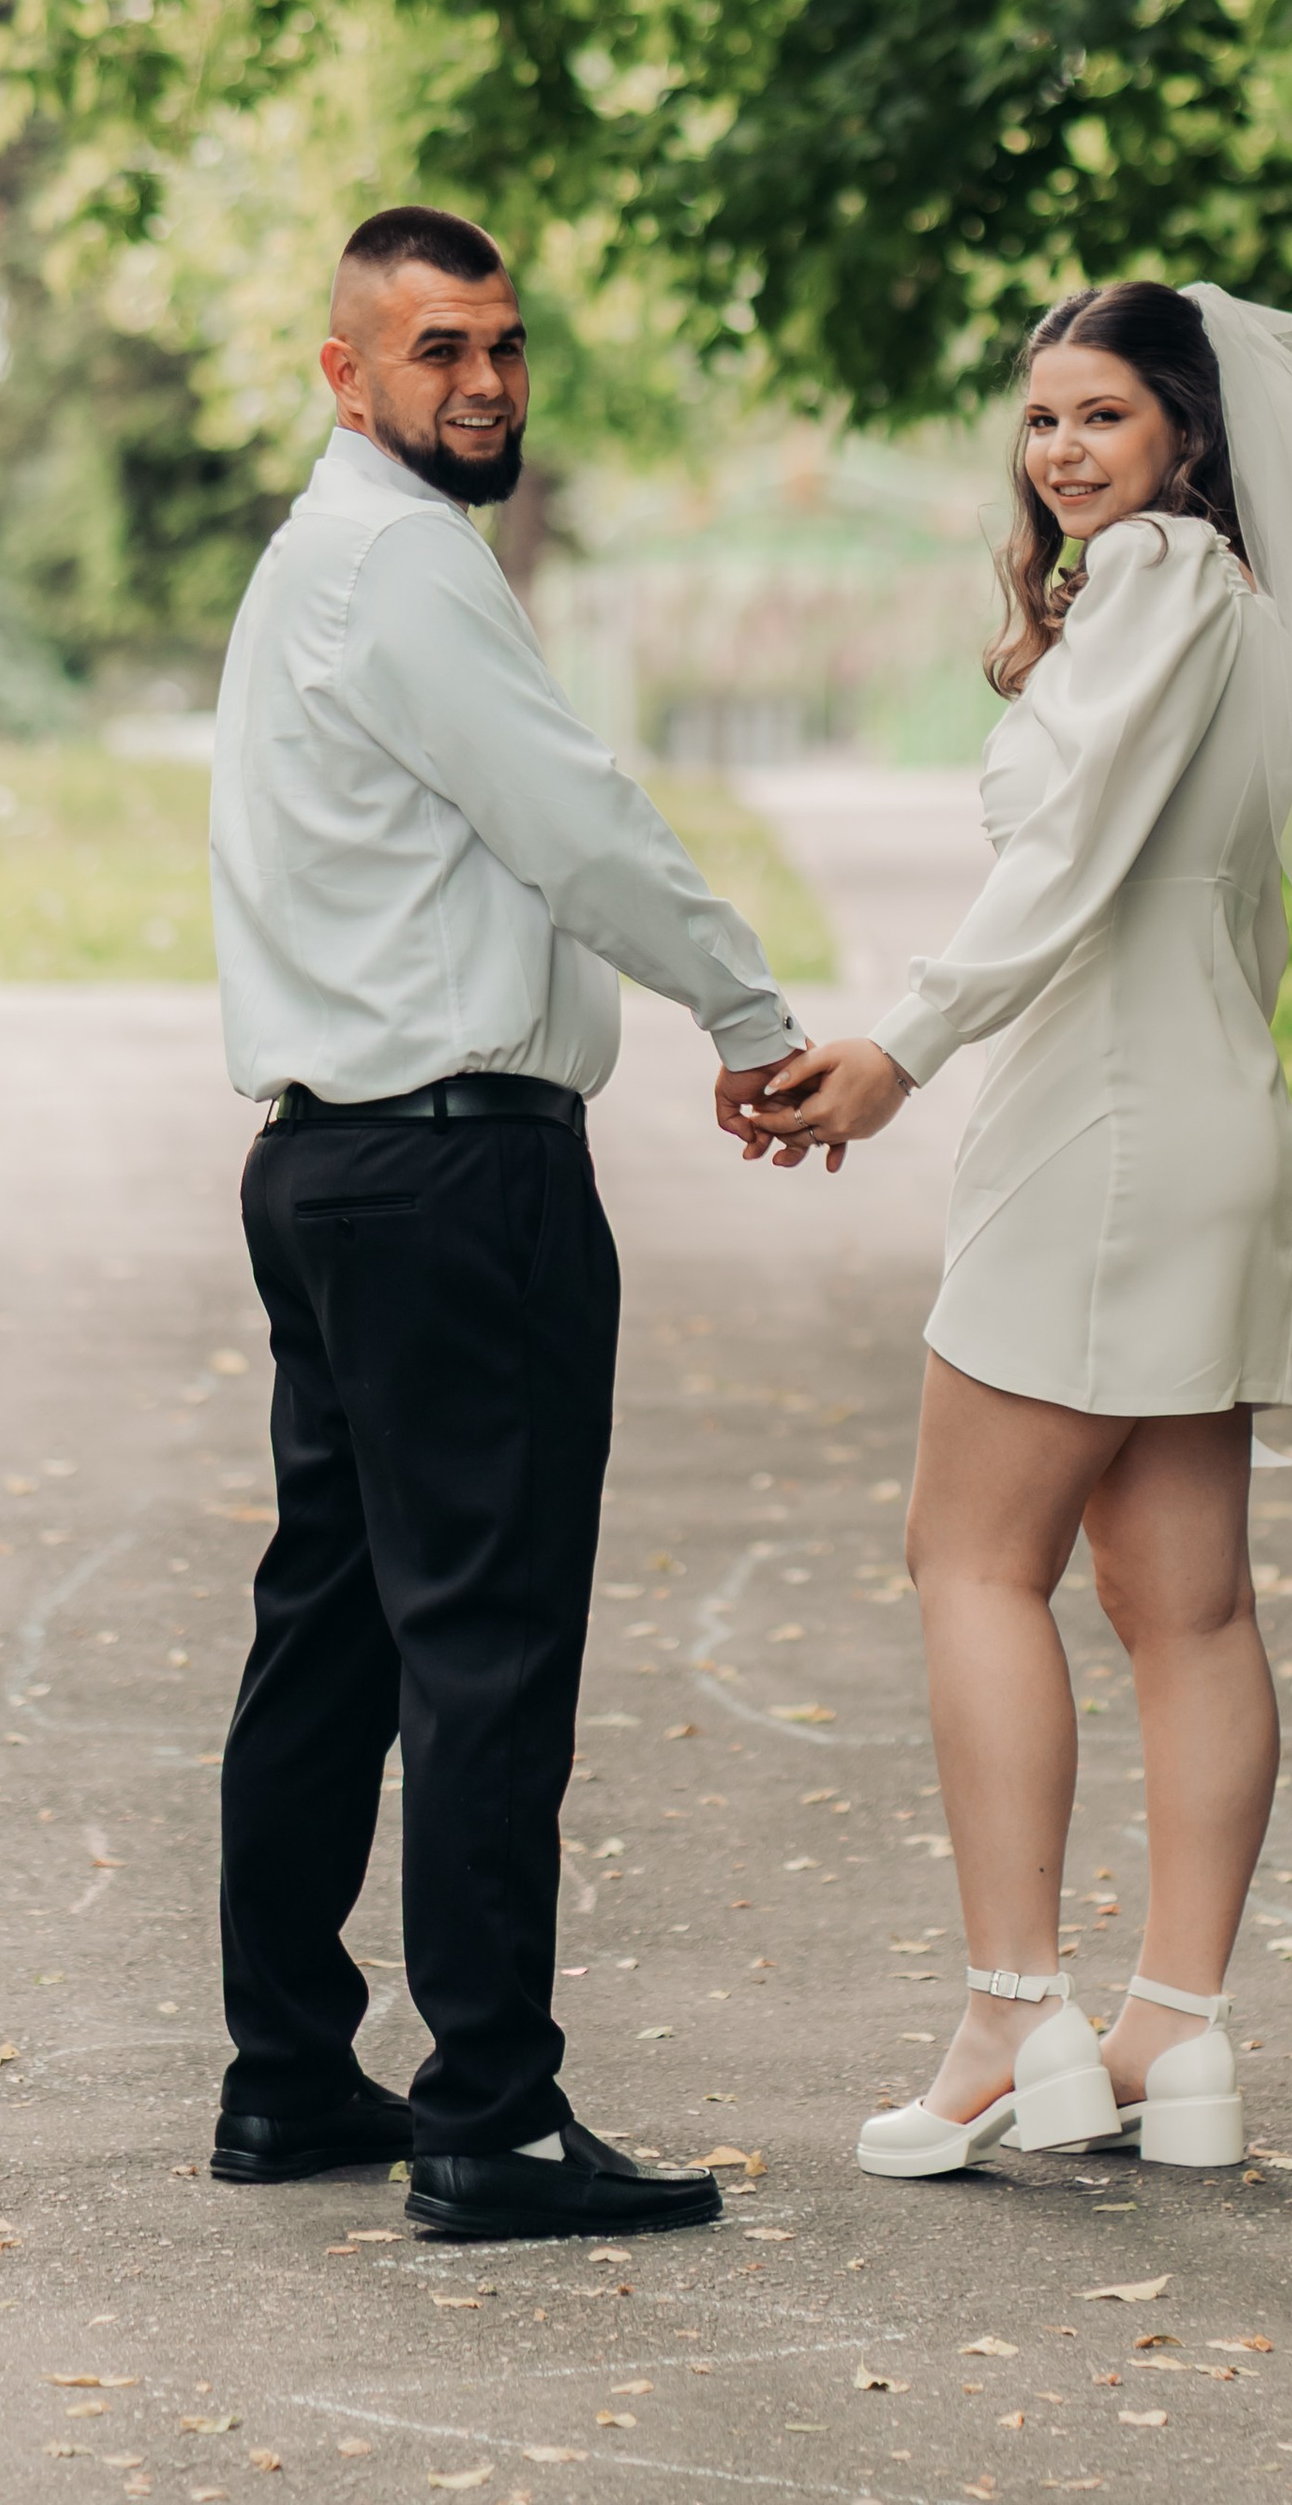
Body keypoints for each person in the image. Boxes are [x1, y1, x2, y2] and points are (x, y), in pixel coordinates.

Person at [748, 280, 1292, 2178]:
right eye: (1042, 416)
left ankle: (1010, 2016)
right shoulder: (1257, 612)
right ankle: (1172, 2038)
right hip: (1220, 1123)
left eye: (1102, 414)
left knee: (970, 1560)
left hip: (1100, 1130)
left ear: (1187, 434)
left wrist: (901, 1049)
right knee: (1185, 1603)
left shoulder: (1148, 585)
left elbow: (1071, 852)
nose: (1060, 450)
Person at [206, 204, 814, 2246]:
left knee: (334, 1630)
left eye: (504, 345)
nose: (483, 383)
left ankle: (290, 2074)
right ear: (344, 371)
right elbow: (575, 824)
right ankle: (489, 2117)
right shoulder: (402, 565)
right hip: (455, 1176)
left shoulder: (319, 559)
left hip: (331, 1166)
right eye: (437, 350)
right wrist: (749, 1013)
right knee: (483, 1640)